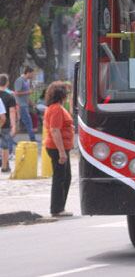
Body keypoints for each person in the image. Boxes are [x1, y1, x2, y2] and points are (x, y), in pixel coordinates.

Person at [43, 81, 74, 217]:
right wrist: (62, 152)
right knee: (60, 177)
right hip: (57, 148)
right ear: (61, 95)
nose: (67, 95)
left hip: (59, 147)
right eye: (66, 93)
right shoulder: (56, 108)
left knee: (65, 177)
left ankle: (59, 207)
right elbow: (55, 130)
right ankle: (57, 208)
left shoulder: (56, 107)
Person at [0, 74, 18, 173]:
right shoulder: (10, 97)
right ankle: (4, 166)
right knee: (5, 145)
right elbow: (12, 112)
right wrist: (14, 126)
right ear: (7, 83)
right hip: (5, 124)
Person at [13, 66, 36, 142]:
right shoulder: (20, 80)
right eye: (32, 74)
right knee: (28, 121)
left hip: (25, 105)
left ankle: (10, 140)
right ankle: (32, 138)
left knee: (24, 122)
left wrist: (31, 102)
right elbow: (16, 93)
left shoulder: (26, 81)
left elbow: (26, 95)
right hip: (20, 105)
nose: (33, 76)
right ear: (28, 73)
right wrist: (28, 92)